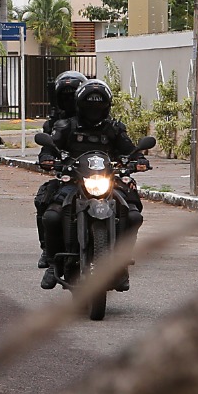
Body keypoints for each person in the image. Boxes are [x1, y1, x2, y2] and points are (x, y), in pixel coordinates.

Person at [37, 79, 144, 290]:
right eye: (89, 106)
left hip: (108, 180)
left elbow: (130, 150)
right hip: (74, 180)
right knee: (51, 216)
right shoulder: (65, 126)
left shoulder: (114, 128)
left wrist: (139, 160)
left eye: (99, 106)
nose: (94, 110)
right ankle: (53, 263)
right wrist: (47, 158)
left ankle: (122, 263)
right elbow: (49, 148)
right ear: (79, 105)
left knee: (133, 215)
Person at [33, 70, 88, 270]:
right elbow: (49, 146)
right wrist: (47, 158)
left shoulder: (102, 121)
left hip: (100, 175)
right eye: (65, 96)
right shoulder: (57, 124)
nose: (69, 100)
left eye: (73, 95)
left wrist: (133, 159)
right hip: (71, 176)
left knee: (131, 207)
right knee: (46, 203)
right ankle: (49, 254)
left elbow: (122, 145)